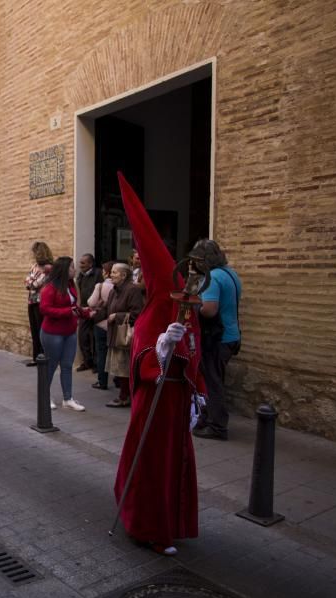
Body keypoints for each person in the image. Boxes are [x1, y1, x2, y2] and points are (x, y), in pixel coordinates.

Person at [113, 173, 204, 557]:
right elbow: (141, 359)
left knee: (173, 463)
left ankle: (171, 523)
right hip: (153, 401)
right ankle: (147, 526)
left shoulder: (182, 304)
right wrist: (160, 350)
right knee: (151, 463)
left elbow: (196, 351)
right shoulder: (152, 311)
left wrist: (199, 391)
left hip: (176, 401)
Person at [191, 239, 242, 441]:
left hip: (217, 338)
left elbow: (209, 311)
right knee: (215, 379)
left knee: (213, 382)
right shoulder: (231, 274)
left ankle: (217, 427)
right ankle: (209, 417)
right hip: (232, 335)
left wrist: (193, 306)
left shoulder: (212, 278)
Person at [39, 256, 90, 411]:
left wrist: (87, 313)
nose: (75, 269)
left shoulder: (72, 284)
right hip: (53, 333)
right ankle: (44, 397)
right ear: (64, 270)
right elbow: (44, 309)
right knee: (51, 366)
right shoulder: (50, 288)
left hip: (69, 332)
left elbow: (74, 306)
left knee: (67, 365)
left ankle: (68, 399)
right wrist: (67, 312)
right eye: (72, 267)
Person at [104, 263, 144, 407]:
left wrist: (117, 316)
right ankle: (124, 395)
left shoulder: (132, 290)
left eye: (114, 272)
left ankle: (125, 397)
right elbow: (107, 309)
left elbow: (137, 313)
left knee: (124, 368)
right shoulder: (113, 291)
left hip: (125, 335)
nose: (111, 275)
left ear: (124, 275)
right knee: (119, 368)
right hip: (115, 333)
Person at [25, 242, 54, 366]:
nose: (33, 255)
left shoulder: (49, 268)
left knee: (42, 330)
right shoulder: (34, 266)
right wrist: (31, 281)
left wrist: (31, 281)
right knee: (34, 330)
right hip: (32, 301)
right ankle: (36, 357)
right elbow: (27, 282)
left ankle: (44, 357)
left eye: (34, 252)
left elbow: (36, 283)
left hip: (42, 302)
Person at [88, 261, 115, 390]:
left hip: (101, 323)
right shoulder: (120, 286)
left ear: (107, 272)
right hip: (115, 324)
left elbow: (91, 302)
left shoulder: (100, 286)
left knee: (101, 353)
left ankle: (102, 381)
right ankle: (118, 380)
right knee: (116, 352)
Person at [75, 253, 101, 372]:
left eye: (83, 263)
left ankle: (96, 363)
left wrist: (97, 307)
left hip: (96, 310)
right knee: (82, 337)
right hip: (83, 310)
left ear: (90, 264)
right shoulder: (80, 276)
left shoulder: (98, 274)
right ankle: (87, 361)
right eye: (80, 263)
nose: (81, 265)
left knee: (95, 338)